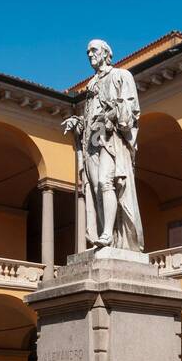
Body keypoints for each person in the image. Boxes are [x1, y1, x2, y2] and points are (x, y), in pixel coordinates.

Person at [63, 39, 144, 251]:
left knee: (105, 182)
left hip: (111, 140)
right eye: (87, 51)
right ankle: (106, 235)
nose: (90, 54)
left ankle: (108, 234)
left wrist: (111, 115)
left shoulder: (121, 76)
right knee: (95, 188)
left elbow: (130, 110)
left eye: (94, 50)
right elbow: (90, 115)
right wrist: (78, 122)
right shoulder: (90, 84)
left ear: (106, 53)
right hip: (91, 142)